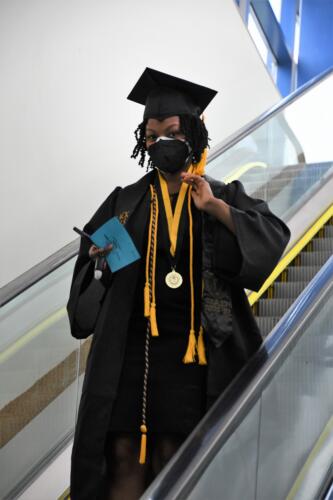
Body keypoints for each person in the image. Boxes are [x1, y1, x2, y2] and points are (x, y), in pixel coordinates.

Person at [67, 68, 290, 500]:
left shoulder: (221, 194)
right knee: (122, 459)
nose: (161, 143)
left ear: (193, 132)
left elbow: (271, 242)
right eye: (151, 135)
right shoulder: (124, 202)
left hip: (197, 363)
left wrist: (217, 209)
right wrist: (97, 265)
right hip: (131, 360)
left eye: (171, 131)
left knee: (180, 462)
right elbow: (86, 300)